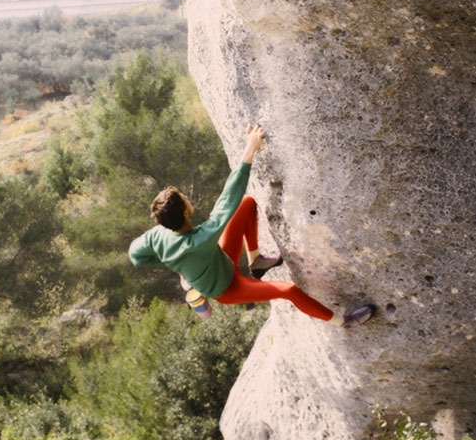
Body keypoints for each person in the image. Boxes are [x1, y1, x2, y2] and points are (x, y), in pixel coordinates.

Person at [129, 124, 375, 327]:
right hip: (227, 287)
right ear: (185, 212)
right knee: (288, 290)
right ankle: (343, 320)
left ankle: (254, 259)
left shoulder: (157, 236)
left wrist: (171, 260)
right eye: (185, 198)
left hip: (219, 259)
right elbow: (226, 201)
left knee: (247, 203)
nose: (188, 197)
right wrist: (250, 151)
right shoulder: (200, 238)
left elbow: (136, 256)